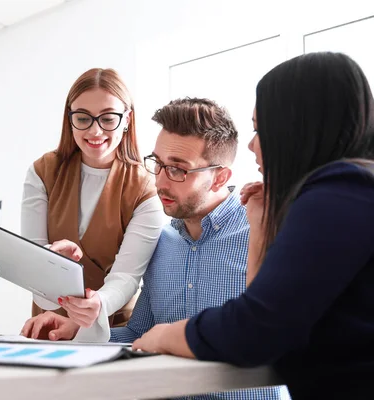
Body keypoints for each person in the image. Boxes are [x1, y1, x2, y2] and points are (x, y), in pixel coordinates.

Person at [132, 52, 374, 399]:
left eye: (261, 128)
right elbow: (274, 313)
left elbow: (257, 329)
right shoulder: (351, 190)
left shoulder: (341, 190)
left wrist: (167, 335)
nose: (252, 144)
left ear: (298, 127)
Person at [22, 98, 289, 399]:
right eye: (158, 164)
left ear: (221, 177)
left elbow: (278, 338)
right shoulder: (162, 243)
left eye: (178, 170)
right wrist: (76, 330)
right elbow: (139, 335)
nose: (160, 181)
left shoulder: (264, 231)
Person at [21, 68, 164, 338]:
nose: (95, 130)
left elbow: (126, 278)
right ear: (70, 118)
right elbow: (34, 272)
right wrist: (52, 264)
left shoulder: (146, 187)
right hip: (48, 326)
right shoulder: (43, 172)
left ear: (127, 119)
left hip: (111, 330)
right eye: (83, 118)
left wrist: (96, 305)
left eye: (108, 118)